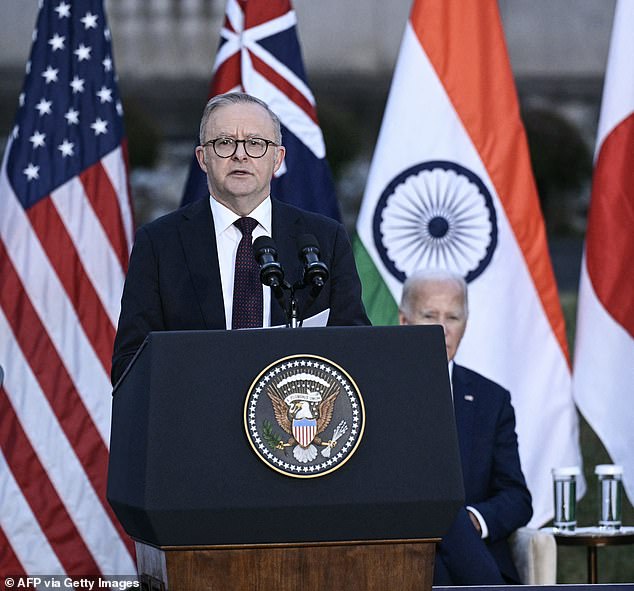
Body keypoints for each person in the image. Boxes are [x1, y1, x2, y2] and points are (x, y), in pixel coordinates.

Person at [111, 92, 369, 385]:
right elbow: (129, 362)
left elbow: (356, 349)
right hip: (198, 419)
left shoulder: (324, 239)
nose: (240, 154)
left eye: (256, 143)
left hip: (292, 422)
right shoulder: (159, 244)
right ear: (203, 158)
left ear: (277, 158)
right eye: (224, 143)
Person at [399, 269, 532, 586]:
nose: (442, 329)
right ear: (404, 322)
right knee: (435, 516)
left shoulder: (491, 400)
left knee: (449, 520)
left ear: (465, 326)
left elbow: (516, 497)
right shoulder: (377, 395)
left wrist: (473, 520)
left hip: (474, 554)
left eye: (453, 317)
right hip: (402, 554)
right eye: (430, 315)